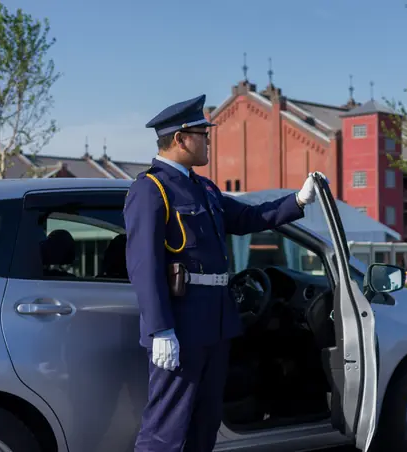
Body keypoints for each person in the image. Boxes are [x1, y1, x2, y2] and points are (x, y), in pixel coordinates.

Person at [124, 94, 321, 452]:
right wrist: (160, 329)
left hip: (215, 324)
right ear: (181, 138)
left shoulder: (205, 189)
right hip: (180, 327)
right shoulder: (151, 189)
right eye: (203, 134)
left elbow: (247, 218)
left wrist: (298, 201)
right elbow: (144, 265)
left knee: (205, 425)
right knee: (166, 431)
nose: (209, 140)